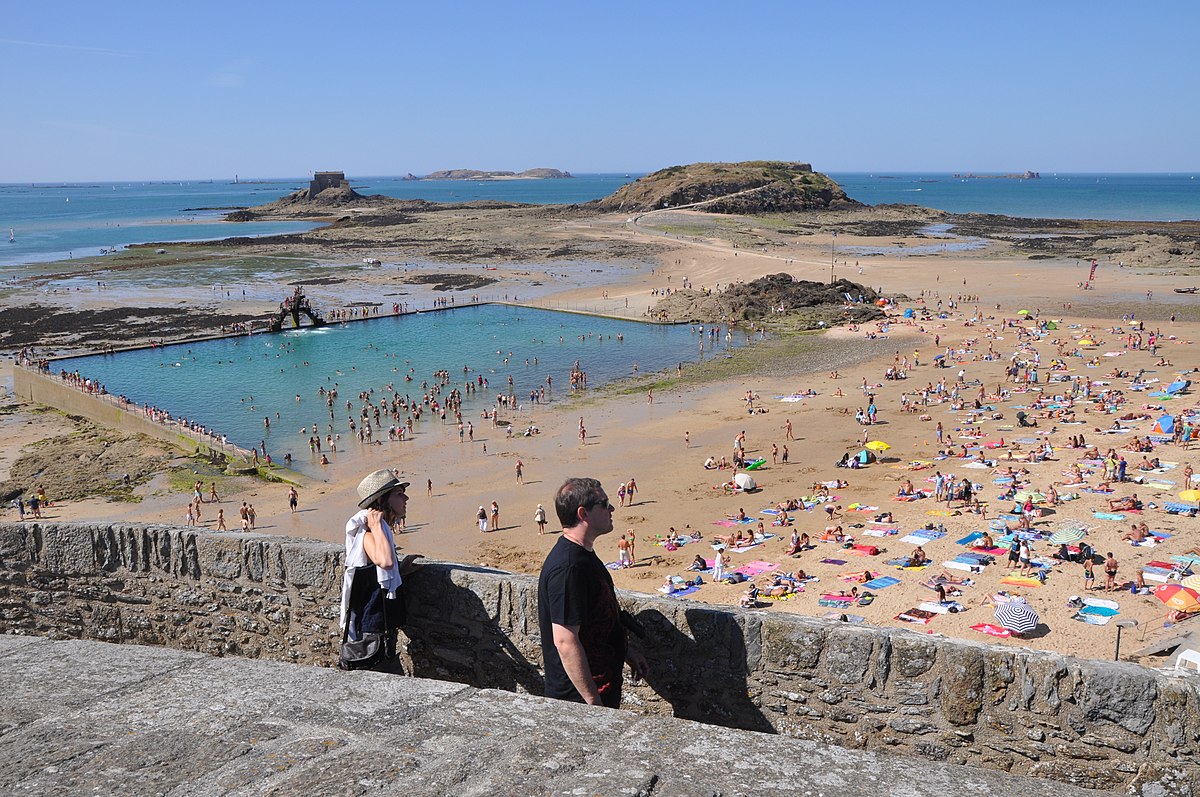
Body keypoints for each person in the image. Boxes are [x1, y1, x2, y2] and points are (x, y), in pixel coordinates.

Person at [538, 477, 648, 708]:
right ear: (583, 513)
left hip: (599, 687)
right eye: (603, 503)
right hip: (578, 700)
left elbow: (595, 618)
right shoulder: (568, 568)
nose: (611, 508)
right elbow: (565, 640)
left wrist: (625, 651)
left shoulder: (582, 555)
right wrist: (592, 701)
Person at [340, 470, 422, 671]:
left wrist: (401, 571)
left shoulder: (379, 533)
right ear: (381, 499)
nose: (406, 497)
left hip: (380, 627)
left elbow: (378, 575)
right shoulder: (368, 534)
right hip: (371, 631)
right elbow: (385, 562)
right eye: (399, 494)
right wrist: (376, 526)